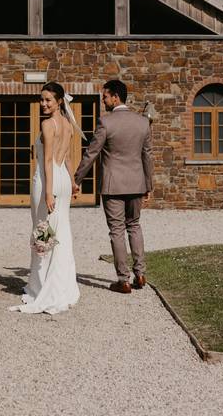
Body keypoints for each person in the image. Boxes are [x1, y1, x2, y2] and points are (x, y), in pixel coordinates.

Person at [73, 79, 153, 294]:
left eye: (105, 97)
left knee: (117, 230)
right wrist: (148, 185)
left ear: (115, 97)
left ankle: (123, 280)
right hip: (137, 183)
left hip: (113, 186)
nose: (103, 101)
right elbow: (147, 156)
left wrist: (77, 179)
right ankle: (141, 273)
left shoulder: (105, 122)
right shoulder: (142, 122)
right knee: (134, 226)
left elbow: (92, 153)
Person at [9, 81, 81, 314]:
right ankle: (62, 284)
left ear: (59, 101)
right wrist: (71, 181)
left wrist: (49, 192)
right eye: (41, 99)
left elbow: (48, 160)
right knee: (60, 229)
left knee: (43, 228)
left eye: (48, 99)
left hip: (46, 179)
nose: (43, 103)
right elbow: (68, 156)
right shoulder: (69, 125)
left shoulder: (48, 124)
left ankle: (43, 286)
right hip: (62, 178)